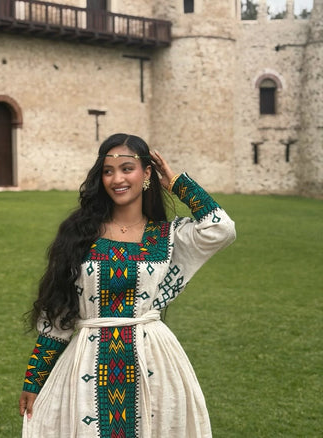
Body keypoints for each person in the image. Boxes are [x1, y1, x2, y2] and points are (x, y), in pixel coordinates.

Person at [19, 133, 236, 438]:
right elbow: (58, 313)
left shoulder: (167, 237)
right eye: (108, 171)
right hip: (89, 362)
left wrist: (176, 182)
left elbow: (221, 229)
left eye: (126, 168)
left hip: (153, 361)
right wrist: (34, 379)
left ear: (147, 174)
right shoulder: (80, 234)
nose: (116, 178)